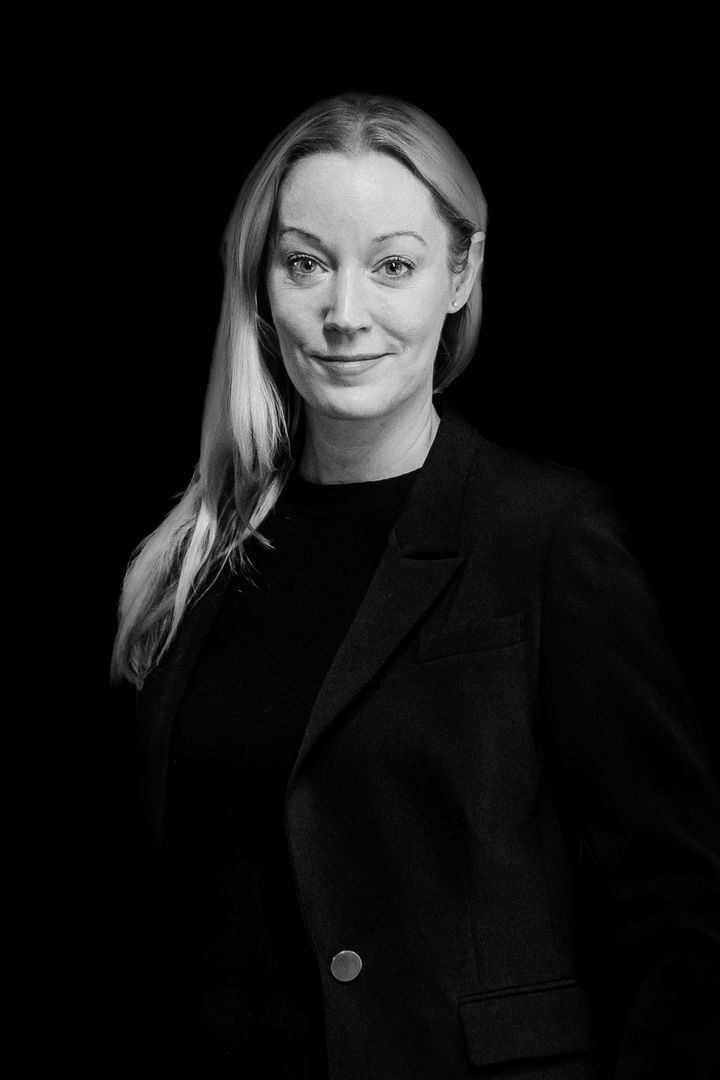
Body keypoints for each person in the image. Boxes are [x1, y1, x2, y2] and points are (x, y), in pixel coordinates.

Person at [111, 91, 720, 1078]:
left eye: (392, 266)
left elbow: (683, 920)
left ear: (460, 274)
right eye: (307, 264)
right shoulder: (200, 560)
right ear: (261, 283)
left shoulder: (548, 538)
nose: (345, 315)